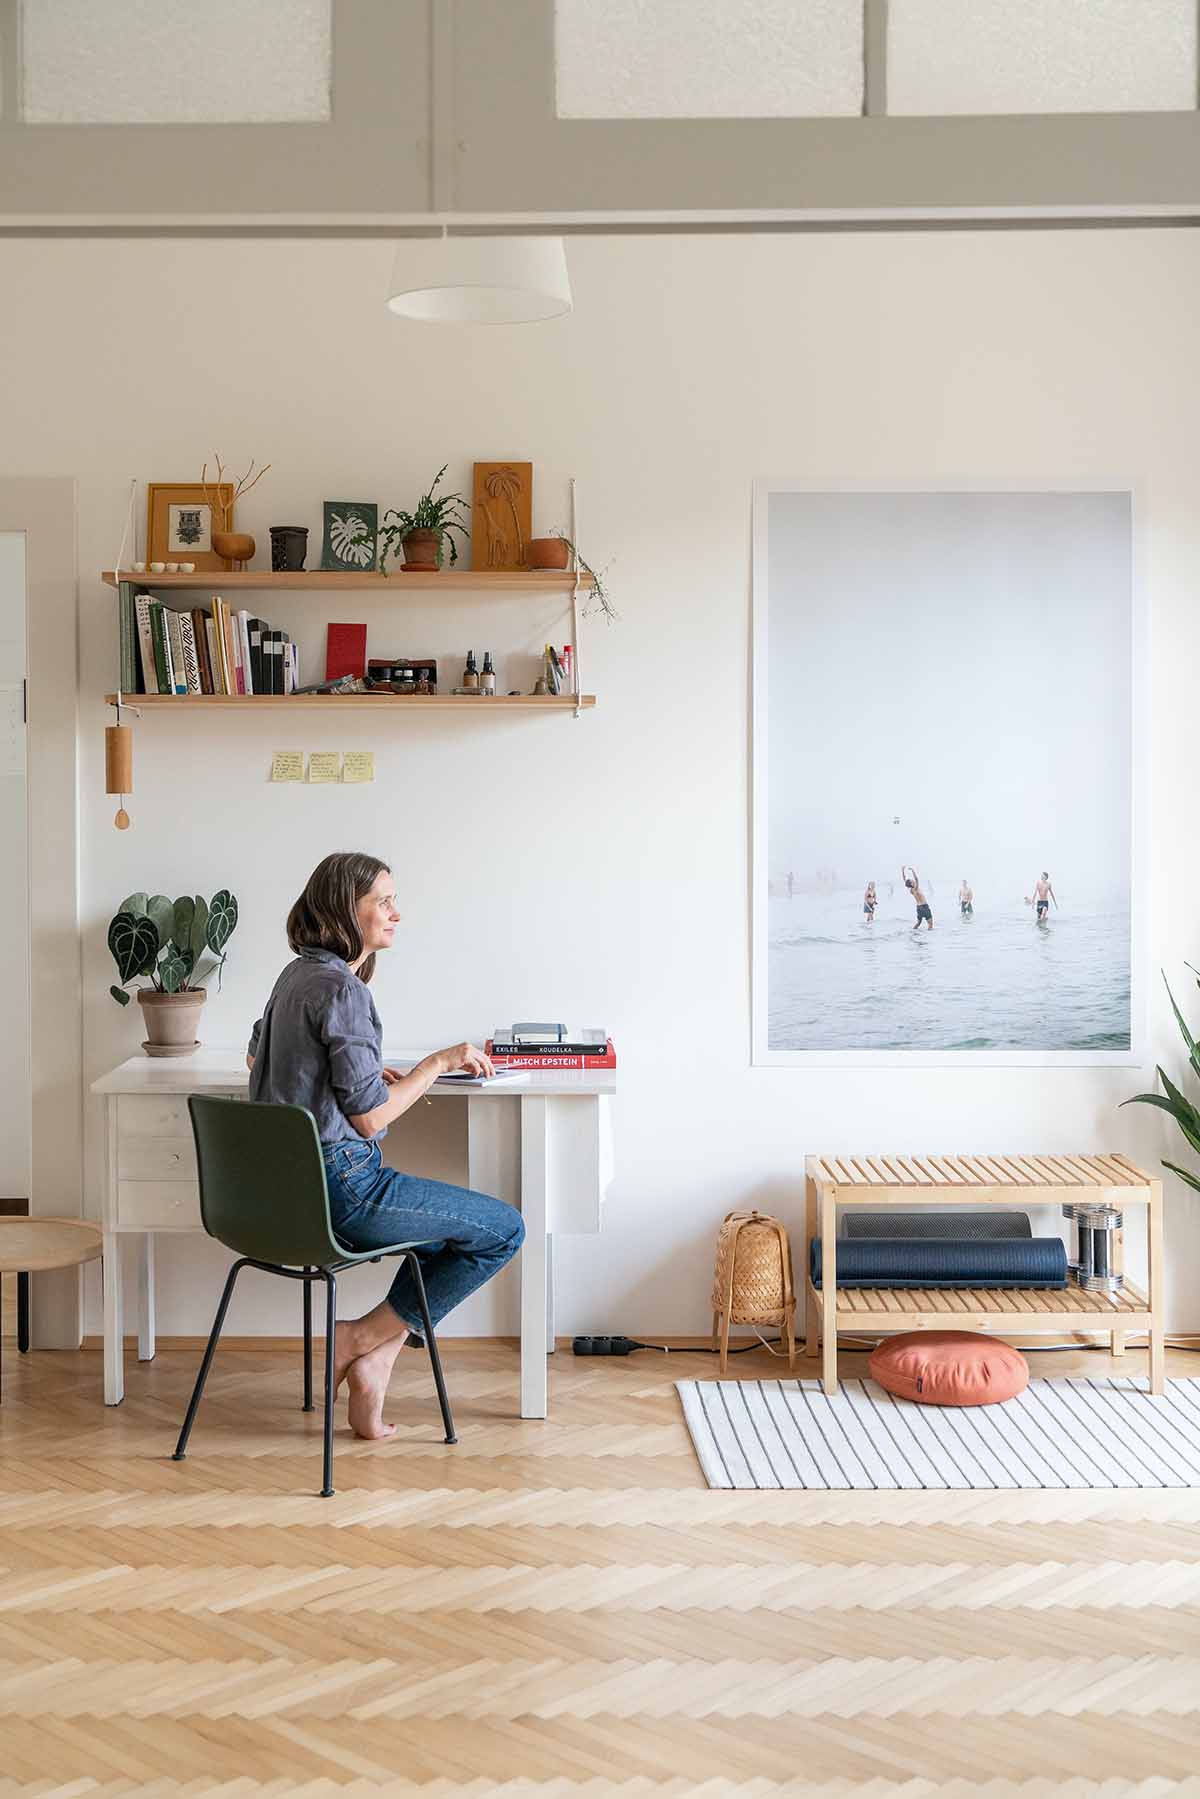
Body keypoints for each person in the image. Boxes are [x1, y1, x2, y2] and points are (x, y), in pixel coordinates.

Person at [245, 851, 525, 1441]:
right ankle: (360, 1338)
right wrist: (438, 1063)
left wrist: (367, 1072)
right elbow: (370, 1121)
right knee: (502, 1230)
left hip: (280, 1193)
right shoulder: (343, 990)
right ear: (347, 911)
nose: (397, 913)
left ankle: (376, 1360)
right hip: (343, 1189)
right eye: (384, 901)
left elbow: (259, 1055)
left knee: (440, 1234)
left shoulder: (294, 977)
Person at [901, 864, 933, 930]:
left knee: (919, 922)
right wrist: (913, 871)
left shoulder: (911, 890)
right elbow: (917, 879)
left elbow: (905, 880)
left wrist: (902, 870)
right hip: (924, 906)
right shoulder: (915, 889)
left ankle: (913, 931)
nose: (913, 880)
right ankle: (929, 938)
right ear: (912, 884)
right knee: (930, 924)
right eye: (912, 881)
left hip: (919, 908)